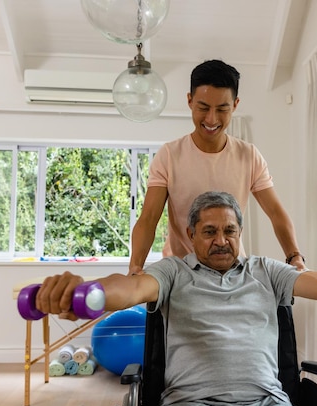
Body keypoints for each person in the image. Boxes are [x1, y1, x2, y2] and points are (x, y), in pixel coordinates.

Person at [37, 191, 317, 406]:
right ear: (191, 236)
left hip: (268, 405)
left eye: (229, 230)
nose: (221, 240)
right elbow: (128, 289)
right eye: (208, 231)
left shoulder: (267, 272)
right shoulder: (172, 273)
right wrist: (86, 294)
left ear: (241, 232)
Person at [129, 59, 306, 275]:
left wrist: (294, 257)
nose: (212, 119)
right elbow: (148, 219)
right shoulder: (169, 155)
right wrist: (135, 266)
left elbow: (276, 213)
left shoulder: (248, 156)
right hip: (182, 272)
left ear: (235, 105)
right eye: (203, 107)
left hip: (234, 274)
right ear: (190, 101)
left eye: (222, 109)